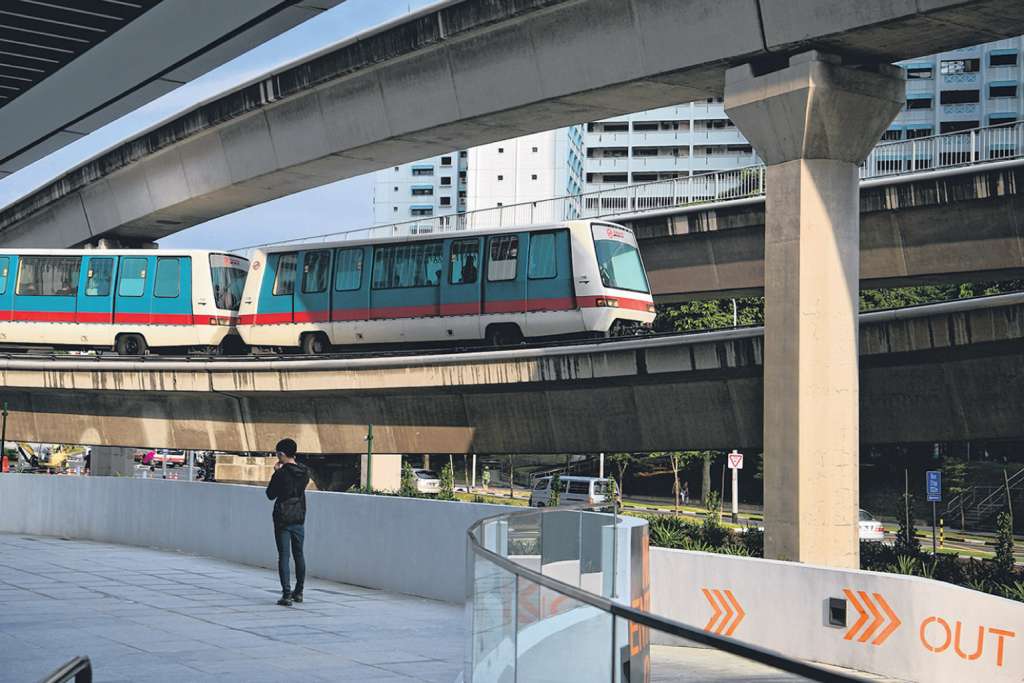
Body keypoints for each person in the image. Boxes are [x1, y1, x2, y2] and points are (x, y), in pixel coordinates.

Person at [265, 438, 310, 607]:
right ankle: (299, 592)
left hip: (283, 518)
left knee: (284, 556)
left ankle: (286, 595)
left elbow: (270, 494)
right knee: (299, 554)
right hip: (299, 516)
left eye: (278, 454)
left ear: (282, 454)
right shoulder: (305, 472)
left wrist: (276, 472)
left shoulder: (282, 473)